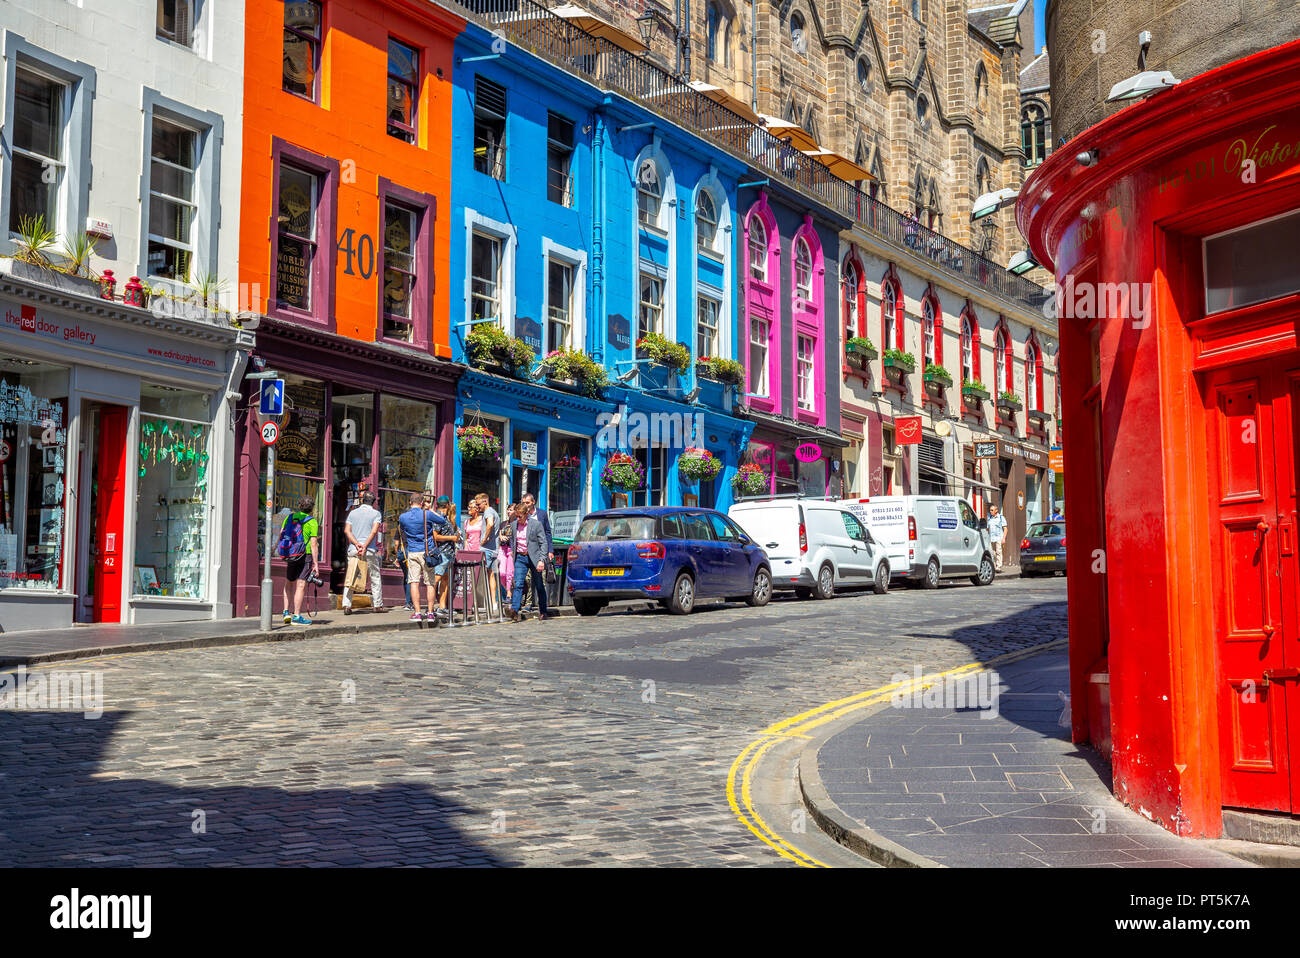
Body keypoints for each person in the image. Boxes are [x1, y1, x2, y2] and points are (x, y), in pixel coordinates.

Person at [502, 496, 554, 621]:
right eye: (517, 516)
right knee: (518, 584)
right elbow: (513, 541)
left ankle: (543, 611)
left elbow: (543, 542)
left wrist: (542, 559)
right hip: (520, 558)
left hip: (535, 558)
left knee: (539, 585)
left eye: (520, 516)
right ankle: (514, 610)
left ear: (526, 514)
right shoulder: (514, 525)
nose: (518, 519)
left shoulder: (536, 525)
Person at [396, 492, 444, 623]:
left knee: (414, 582)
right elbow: (443, 520)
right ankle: (429, 612)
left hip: (412, 552)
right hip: (427, 552)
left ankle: (417, 612)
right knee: (430, 583)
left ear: (410, 502)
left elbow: (403, 531)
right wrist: (430, 510)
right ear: (422, 503)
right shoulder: (427, 514)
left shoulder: (403, 517)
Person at [278, 495, 320, 625]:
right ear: (312, 508)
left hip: (291, 553)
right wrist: (316, 564)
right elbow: (313, 544)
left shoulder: (290, 517)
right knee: (301, 584)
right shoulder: (312, 521)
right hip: (304, 555)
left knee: (289, 582)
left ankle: (286, 612)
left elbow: (281, 534)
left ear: (300, 506)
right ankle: (296, 615)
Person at [342, 490, 386, 615]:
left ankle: (347, 605)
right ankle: (377, 605)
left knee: (351, 575)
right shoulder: (376, 513)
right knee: (375, 576)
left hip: (354, 549)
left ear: (362, 500)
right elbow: (374, 531)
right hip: (370, 550)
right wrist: (365, 545)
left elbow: (347, 531)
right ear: (373, 502)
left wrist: (357, 544)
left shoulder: (353, 513)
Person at [429, 495, 460, 620]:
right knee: (436, 580)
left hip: (449, 554)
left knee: (445, 580)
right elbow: (435, 536)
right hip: (441, 553)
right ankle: (430, 608)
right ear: (447, 505)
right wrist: (452, 538)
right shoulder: (438, 517)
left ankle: (442, 607)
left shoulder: (445, 517)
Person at [988, 505, 1008, 570]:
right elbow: (988, 528)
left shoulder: (1001, 518)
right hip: (991, 538)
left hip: (999, 538)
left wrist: (1004, 538)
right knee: (992, 553)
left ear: (996, 510)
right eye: (990, 510)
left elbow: (1005, 529)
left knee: (998, 552)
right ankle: (994, 566)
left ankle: (998, 566)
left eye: (992, 510)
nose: (990, 511)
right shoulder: (989, 518)